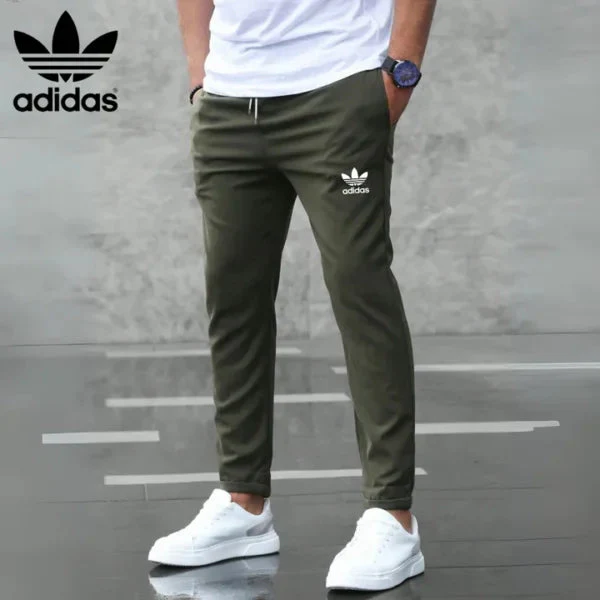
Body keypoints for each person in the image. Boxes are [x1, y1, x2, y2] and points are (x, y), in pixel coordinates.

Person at [149, 0, 437, 591]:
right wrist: (203, 75)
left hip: (338, 85)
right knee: (233, 301)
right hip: (229, 102)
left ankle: (392, 514)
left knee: (360, 291)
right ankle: (243, 503)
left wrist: (400, 71)